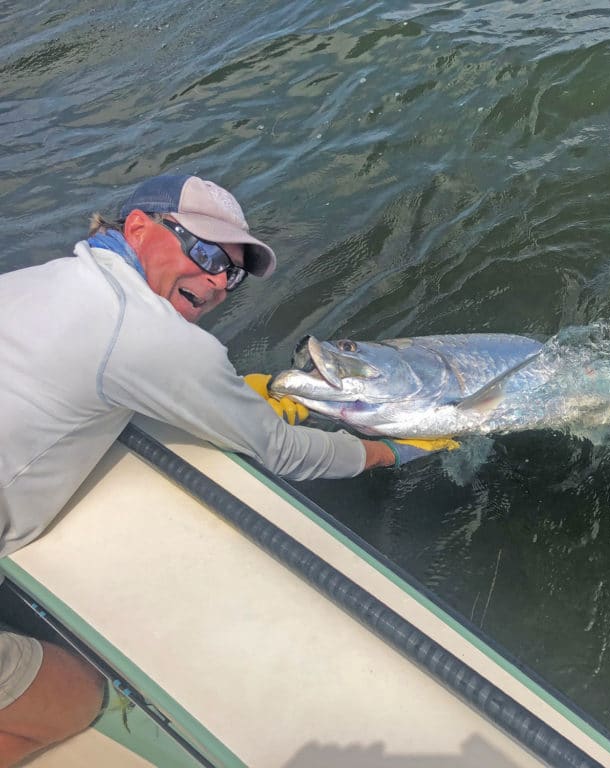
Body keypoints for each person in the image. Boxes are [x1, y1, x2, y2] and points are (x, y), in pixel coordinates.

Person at [0, 173, 456, 764]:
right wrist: (389, 450)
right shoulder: (150, 335)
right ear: (138, 226)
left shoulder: (40, 280)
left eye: (232, 273)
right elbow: (285, 453)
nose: (217, 280)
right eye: (206, 252)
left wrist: (233, 398)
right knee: (77, 695)